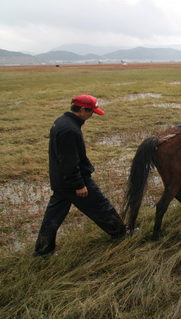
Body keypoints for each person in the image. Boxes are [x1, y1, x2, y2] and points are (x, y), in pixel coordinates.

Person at [33, 94, 126, 257]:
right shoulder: (70, 129)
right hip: (74, 180)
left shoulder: (61, 121)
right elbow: (69, 162)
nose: (92, 116)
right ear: (82, 109)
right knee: (101, 206)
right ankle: (121, 234)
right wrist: (79, 184)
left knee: (53, 216)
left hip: (60, 180)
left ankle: (43, 250)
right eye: (91, 112)